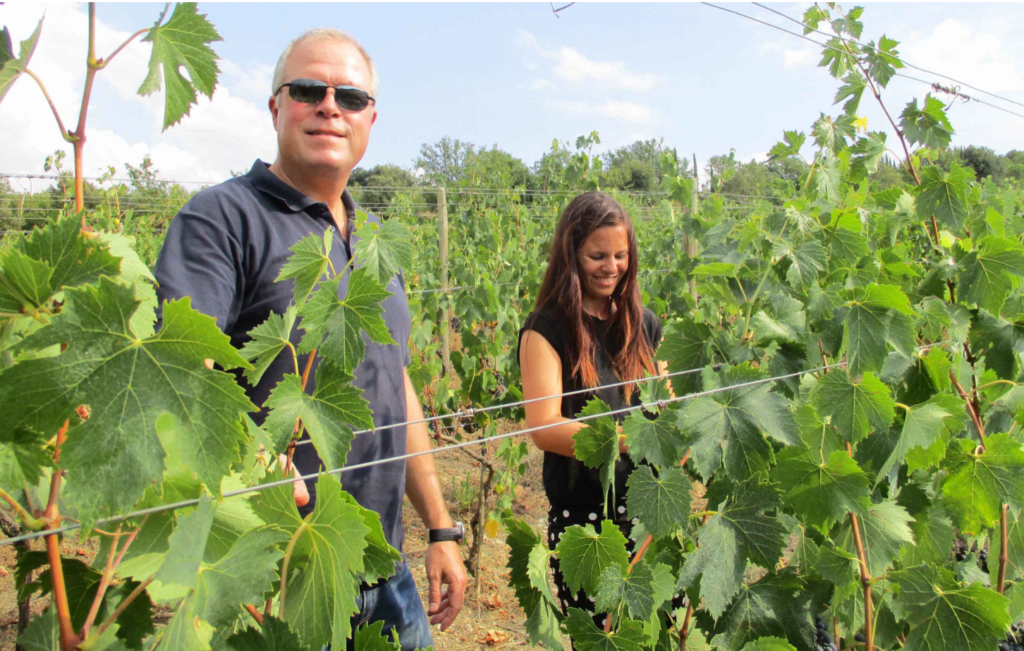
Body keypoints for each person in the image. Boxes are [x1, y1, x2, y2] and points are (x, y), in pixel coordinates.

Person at [153, 28, 467, 649]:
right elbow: (185, 367)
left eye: (349, 96)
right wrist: (256, 459)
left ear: (371, 118)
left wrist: (440, 528)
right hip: (271, 573)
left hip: (382, 564)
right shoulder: (221, 219)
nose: (329, 106)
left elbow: (392, 381)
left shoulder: (376, 241)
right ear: (276, 106)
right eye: (307, 89)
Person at [516, 192, 667, 628]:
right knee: (602, 637)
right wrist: (623, 439)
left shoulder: (643, 322)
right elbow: (544, 427)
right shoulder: (546, 329)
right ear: (571, 254)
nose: (612, 267)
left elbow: (659, 399)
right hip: (584, 523)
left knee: (653, 634)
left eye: (621, 255)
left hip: (645, 516)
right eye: (597, 256)